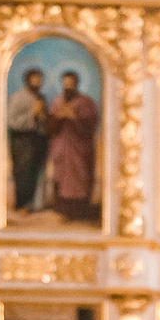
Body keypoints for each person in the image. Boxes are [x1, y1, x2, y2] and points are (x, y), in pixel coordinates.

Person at [45, 68, 98, 222]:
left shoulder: (86, 102)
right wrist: (58, 117)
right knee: (61, 178)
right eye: (65, 83)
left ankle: (79, 210)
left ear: (76, 84)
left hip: (80, 148)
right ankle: (63, 209)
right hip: (62, 147)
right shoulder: (57, 101)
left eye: (71, 84)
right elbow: (51, 128)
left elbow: (90, 126)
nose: (68, 86)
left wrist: (74, 118)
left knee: (80, 178)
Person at [7, 67, 49, 212]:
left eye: (39, 79)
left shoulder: (40, 98)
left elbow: (44, 119)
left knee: (34, 172)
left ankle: (32, 203)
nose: (37, 82)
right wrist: (32, 114)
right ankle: (21, 204)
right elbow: (12, 121)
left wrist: (43, 117)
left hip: (37, 140)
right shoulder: (18, 98)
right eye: (34, 79)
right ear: (28, 80)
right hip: (22, 141)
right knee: (23, 172)